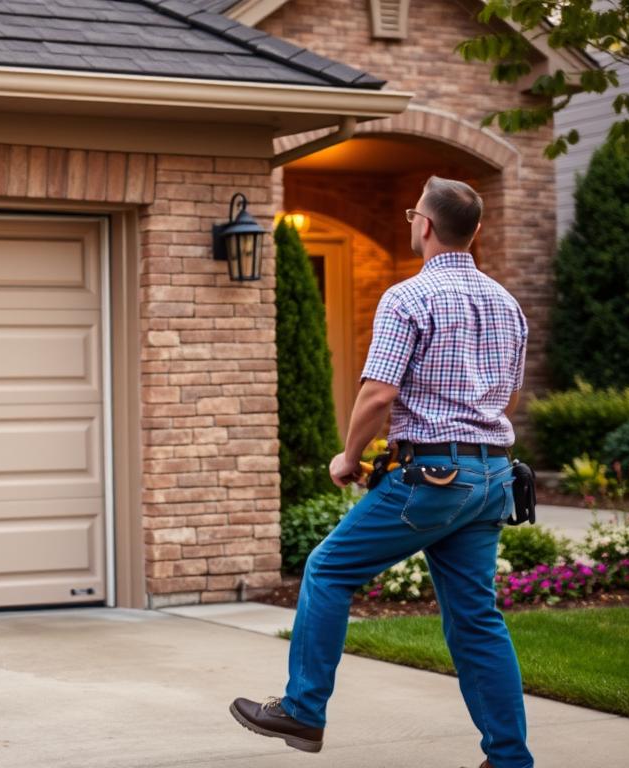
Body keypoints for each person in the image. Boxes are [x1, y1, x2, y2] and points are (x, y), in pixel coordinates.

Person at [229, 177, 532, 768]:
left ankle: (303, 710)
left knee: (327, 570)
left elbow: (376, 396)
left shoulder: (408, 297)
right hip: (492, 477)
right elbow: (508, 400)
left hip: (436, 480)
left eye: (411, 213)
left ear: (422, 225)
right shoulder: (507, 304)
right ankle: (510, 759)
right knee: (476, 621)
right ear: (475, 232)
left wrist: (348, 458)